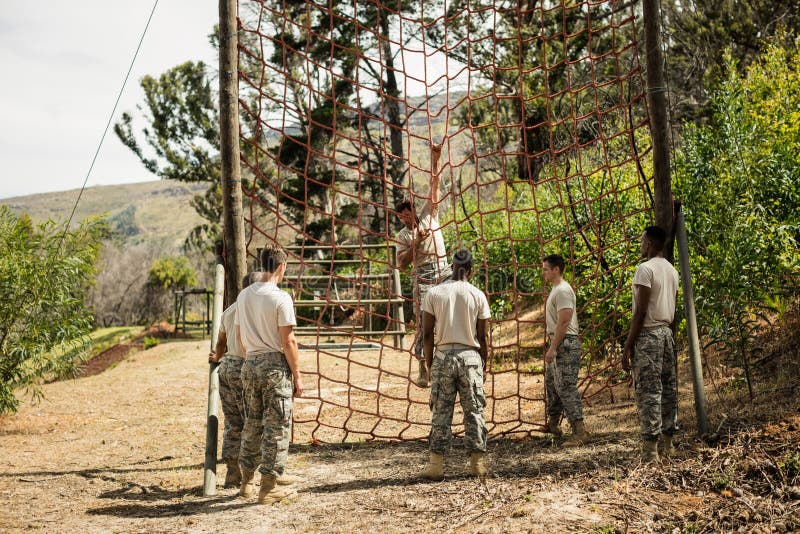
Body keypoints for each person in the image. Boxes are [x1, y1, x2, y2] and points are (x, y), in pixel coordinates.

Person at [236, 244, 304, 504]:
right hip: (274, 365)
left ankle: (246, 483)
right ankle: (269, 487)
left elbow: (242, 337)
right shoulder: (280, 297)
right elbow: (289, 342)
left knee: (252, 423)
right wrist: (297, 375)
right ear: (280, 266)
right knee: (277, 426)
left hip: (250, 362)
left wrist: (253, 356)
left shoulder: (244, 295)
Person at [420, 249, 490, 481]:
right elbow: (482, 336)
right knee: (474, 411)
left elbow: (427, 334)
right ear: (471, 269)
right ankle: (477, 463)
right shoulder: (478, 295)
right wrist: (484, 363)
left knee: (441, 411)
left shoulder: (434, 293)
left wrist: (430, 363)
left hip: (443, 355)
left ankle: (436, 465)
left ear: (451, 266)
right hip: (470, 357)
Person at [395, 143, 452, 387]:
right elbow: (402, 264)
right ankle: (422, 367)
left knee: (452, 316)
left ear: (413, 210)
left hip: (446, 270)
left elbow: (435, 186)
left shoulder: (430, 216)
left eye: (407, 213)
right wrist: (417, 242)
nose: (405, 218)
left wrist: (435, 160)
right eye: (400, 216)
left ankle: (451, 360)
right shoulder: (403, 236)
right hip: (424, 276)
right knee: (423, 322)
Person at [622, 226, 679, 464]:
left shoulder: (644, 270)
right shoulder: (672, 270)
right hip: (667, 333)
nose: (641, 244)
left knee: (649, 392)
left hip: (649, 336)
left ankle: (650, 451)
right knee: (668, 388)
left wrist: (627, 346)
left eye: (643, 240)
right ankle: (669, 444)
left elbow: (640, 312)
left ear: (651, 244)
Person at [208, 273, 253, 488]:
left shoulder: (228, 311)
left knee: (233, 422)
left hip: (227, 367)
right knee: (251, 421)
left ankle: (232, 471)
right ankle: (248, 473)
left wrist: (217, 357)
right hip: (244, 366)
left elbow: (221, 341)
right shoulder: (252, 309)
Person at [541, 254, 588, 446]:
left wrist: (553, 348)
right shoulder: (556, 290)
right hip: (559, 341)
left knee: (566, 387)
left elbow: (564, 320)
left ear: (556, 270)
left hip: (565, 343)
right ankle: (553, 424)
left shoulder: (562, 291)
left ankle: (579, 431)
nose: (543, 272)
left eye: (545, 269)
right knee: (552, 384)